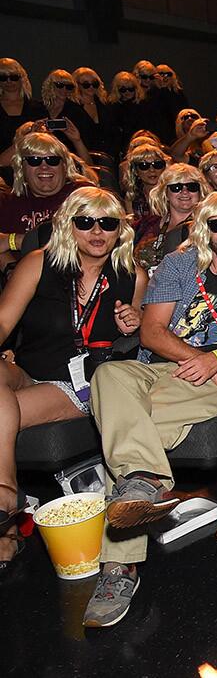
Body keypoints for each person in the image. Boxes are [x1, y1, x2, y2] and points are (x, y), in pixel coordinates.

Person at [84, 192, 217, 627]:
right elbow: (152, 332)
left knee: (125, 422)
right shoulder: (177, 266)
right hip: (161, 368)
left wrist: (214, 362)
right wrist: (196, 357)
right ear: (203, 229)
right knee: (108, 378)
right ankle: (145, 478)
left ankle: (119, 567)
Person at [0, 187, 145, 570]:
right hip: (27, 370)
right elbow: (2, 322)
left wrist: (134, 324)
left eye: (107, 223)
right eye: (85, 222)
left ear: (120, 230)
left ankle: (8, 512)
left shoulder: (131, 276)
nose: (96, 231)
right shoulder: (38, 263)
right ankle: (9, 501)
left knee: (4, 409)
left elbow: (142, 338)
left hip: (81, 385)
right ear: (68, 225)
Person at [0, 133, 82, 268]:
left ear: (64, 166)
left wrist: (17, 240)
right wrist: (11, 269)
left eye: (52, 160)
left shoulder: (81, 195)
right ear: (21, 168)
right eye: (34, 160)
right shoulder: (7, 201)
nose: (44, 166)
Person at [134, 163, 210, 272]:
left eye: (192, 187)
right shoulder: (145, 225)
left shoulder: (207, 227)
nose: (184, 192)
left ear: (200, 192)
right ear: (165, 193)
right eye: (176, 187)